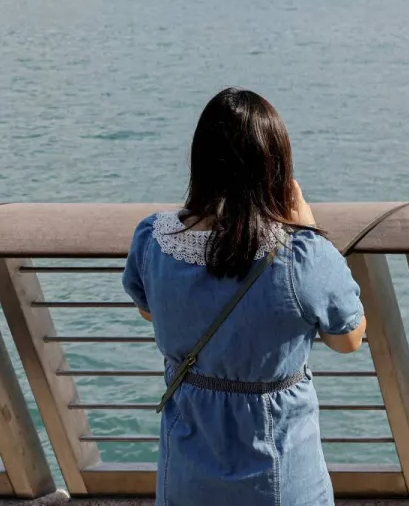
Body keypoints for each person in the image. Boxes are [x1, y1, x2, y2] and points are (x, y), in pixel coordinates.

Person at [122, 88, 367, 506]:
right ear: (275, 167)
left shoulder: (154, 238)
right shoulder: (300, 254)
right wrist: (306, 228)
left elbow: (150, 312)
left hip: (188, 458)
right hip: (279, 462)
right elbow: (348, 339)